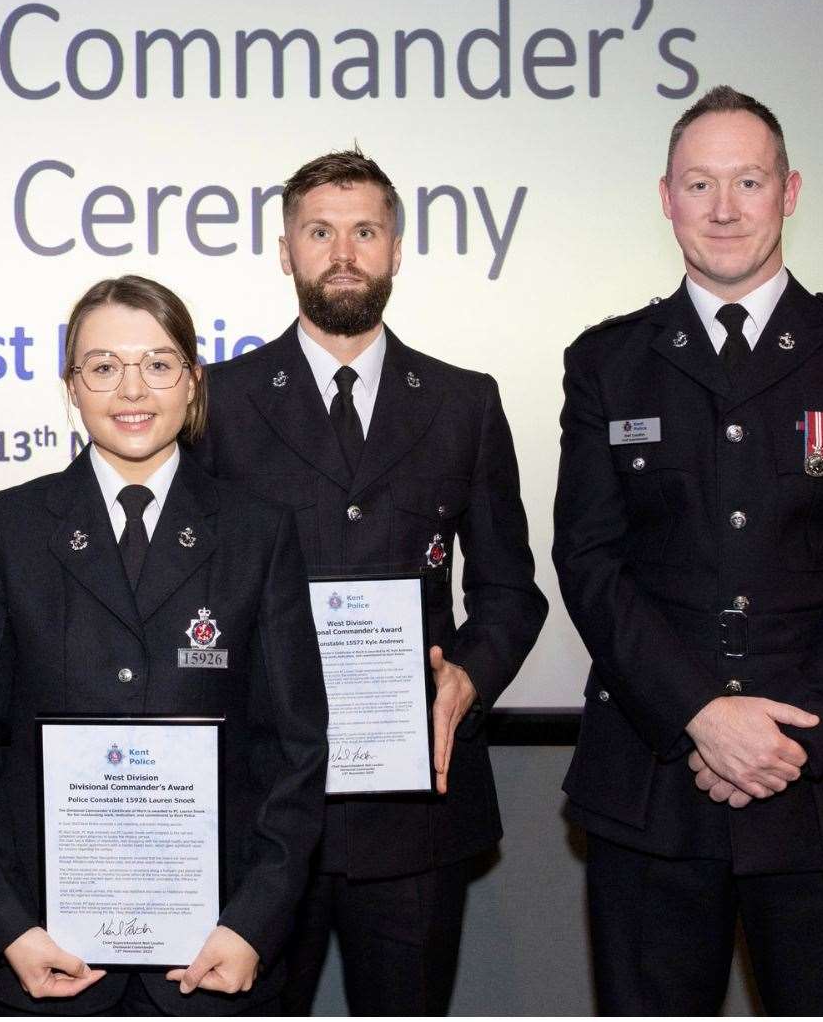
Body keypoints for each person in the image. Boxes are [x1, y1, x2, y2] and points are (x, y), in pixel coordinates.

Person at [553, 85, 823, 1014]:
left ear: (790, 191)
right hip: (655, 788)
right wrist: (702, 714)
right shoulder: (608, 362)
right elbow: (590, 561)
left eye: (748, 181)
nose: (724, 208)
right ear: (665, 197)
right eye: (700, 183)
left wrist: (781, 735)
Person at [198, 151, 547, 1015]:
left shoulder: (465, 402)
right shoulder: (219, 401)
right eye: (320, 232)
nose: (343, 252)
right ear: (285, 249)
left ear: (396, 248)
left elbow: (510, 588)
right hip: (263, 805)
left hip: (415, 812)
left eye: (365, 231)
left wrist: (469, 674)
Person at [0, 275, 328, 1015]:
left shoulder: (259, 533)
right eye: (103, 367)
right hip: (46, 959)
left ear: (194, 381)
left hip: (211, 959)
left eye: (159, 364)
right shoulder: (4, 530)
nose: (131, 389)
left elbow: (295, 748)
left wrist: (252, 924)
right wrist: (8, 926)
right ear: (71, 387)